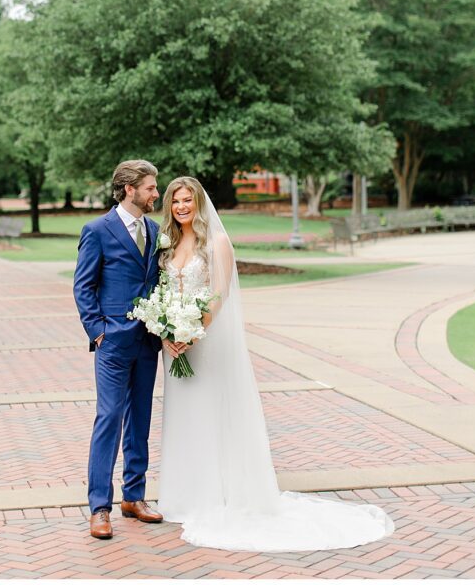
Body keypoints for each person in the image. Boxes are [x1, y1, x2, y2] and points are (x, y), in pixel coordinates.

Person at [157, 175, 395, 552]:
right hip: (175, 349)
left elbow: (219, 295)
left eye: (188, 200)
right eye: (175, 201)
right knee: (183, 415)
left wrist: (192, 331)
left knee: (211, 413)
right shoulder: (167, 244)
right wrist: (167, 332)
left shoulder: (217, 242)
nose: (182, 207)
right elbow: (164, 292)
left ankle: (216, 496)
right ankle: (183, 496)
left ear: (200, 203)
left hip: (206, 342)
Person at [73, 159, 164, 540]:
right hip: (112, 342)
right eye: (150, 188)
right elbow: (83, 286)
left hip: (147, 341)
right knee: (109, 418)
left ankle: (134, 496)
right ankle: (99, 507)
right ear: (129, 189)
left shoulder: (157, 230)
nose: (156, 193)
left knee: (140, 419)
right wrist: (98, 332)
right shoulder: (97, 230)